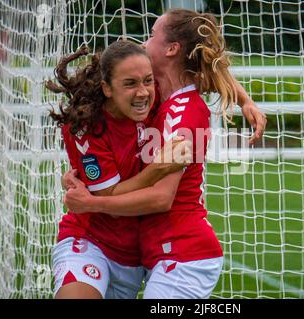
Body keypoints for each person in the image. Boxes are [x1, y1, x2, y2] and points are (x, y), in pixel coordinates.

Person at [63, 9, 267, 299]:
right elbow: (207, 70)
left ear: (172, 49)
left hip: (184, 252)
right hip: (163, 253)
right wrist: (244, 99)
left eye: (153, 34)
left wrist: (90, 203)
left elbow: (161, 197)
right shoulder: (160, 93)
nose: (145, 42)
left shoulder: (183, 112)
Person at [45, 40, 191, 299]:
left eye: (147, 80)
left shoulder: (153, 98)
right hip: (90, 242)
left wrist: (245, 101)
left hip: (134, 259)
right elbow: (108, 197)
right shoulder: (86, 128)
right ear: (107, 88)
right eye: (130, 84)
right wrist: (160, 168)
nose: (143, 92)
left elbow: (204, 72)